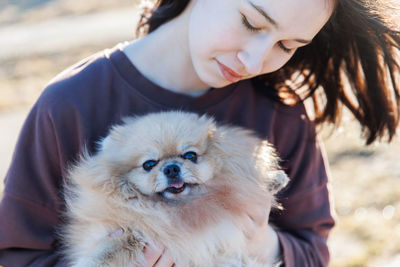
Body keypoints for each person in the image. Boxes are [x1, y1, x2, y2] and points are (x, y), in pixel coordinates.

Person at [0, 0, 399, 266]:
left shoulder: (282, 112)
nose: (255, 59)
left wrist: (258, 241)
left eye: (287, 44)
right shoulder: (71, 103)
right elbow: (17, 254)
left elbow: (313, 251)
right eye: (250, 22)